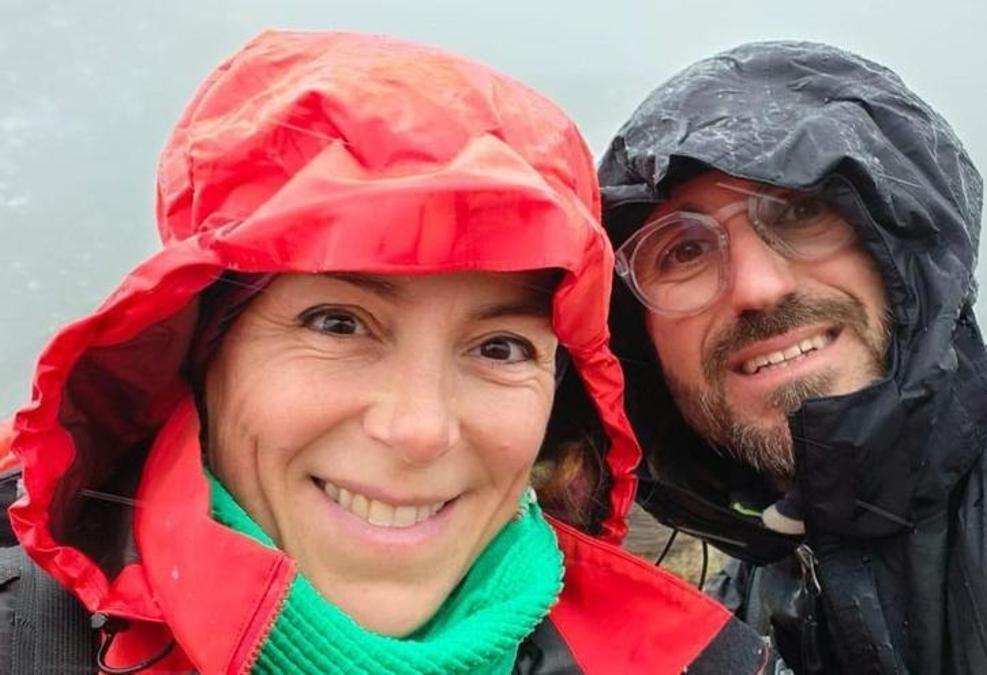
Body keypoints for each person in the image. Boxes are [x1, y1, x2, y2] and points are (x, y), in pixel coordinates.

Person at [0, 30, 769, 674]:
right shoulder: (23, 632)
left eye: (499, 346)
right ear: (199, 354)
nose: (419, 429)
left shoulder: (693, 658)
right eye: (338, 323)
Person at [598, 40, 987, 673]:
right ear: (637, 336)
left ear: (902, 243)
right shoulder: (745, 604)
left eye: (804, 211)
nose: (757, 287)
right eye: (683, 253)